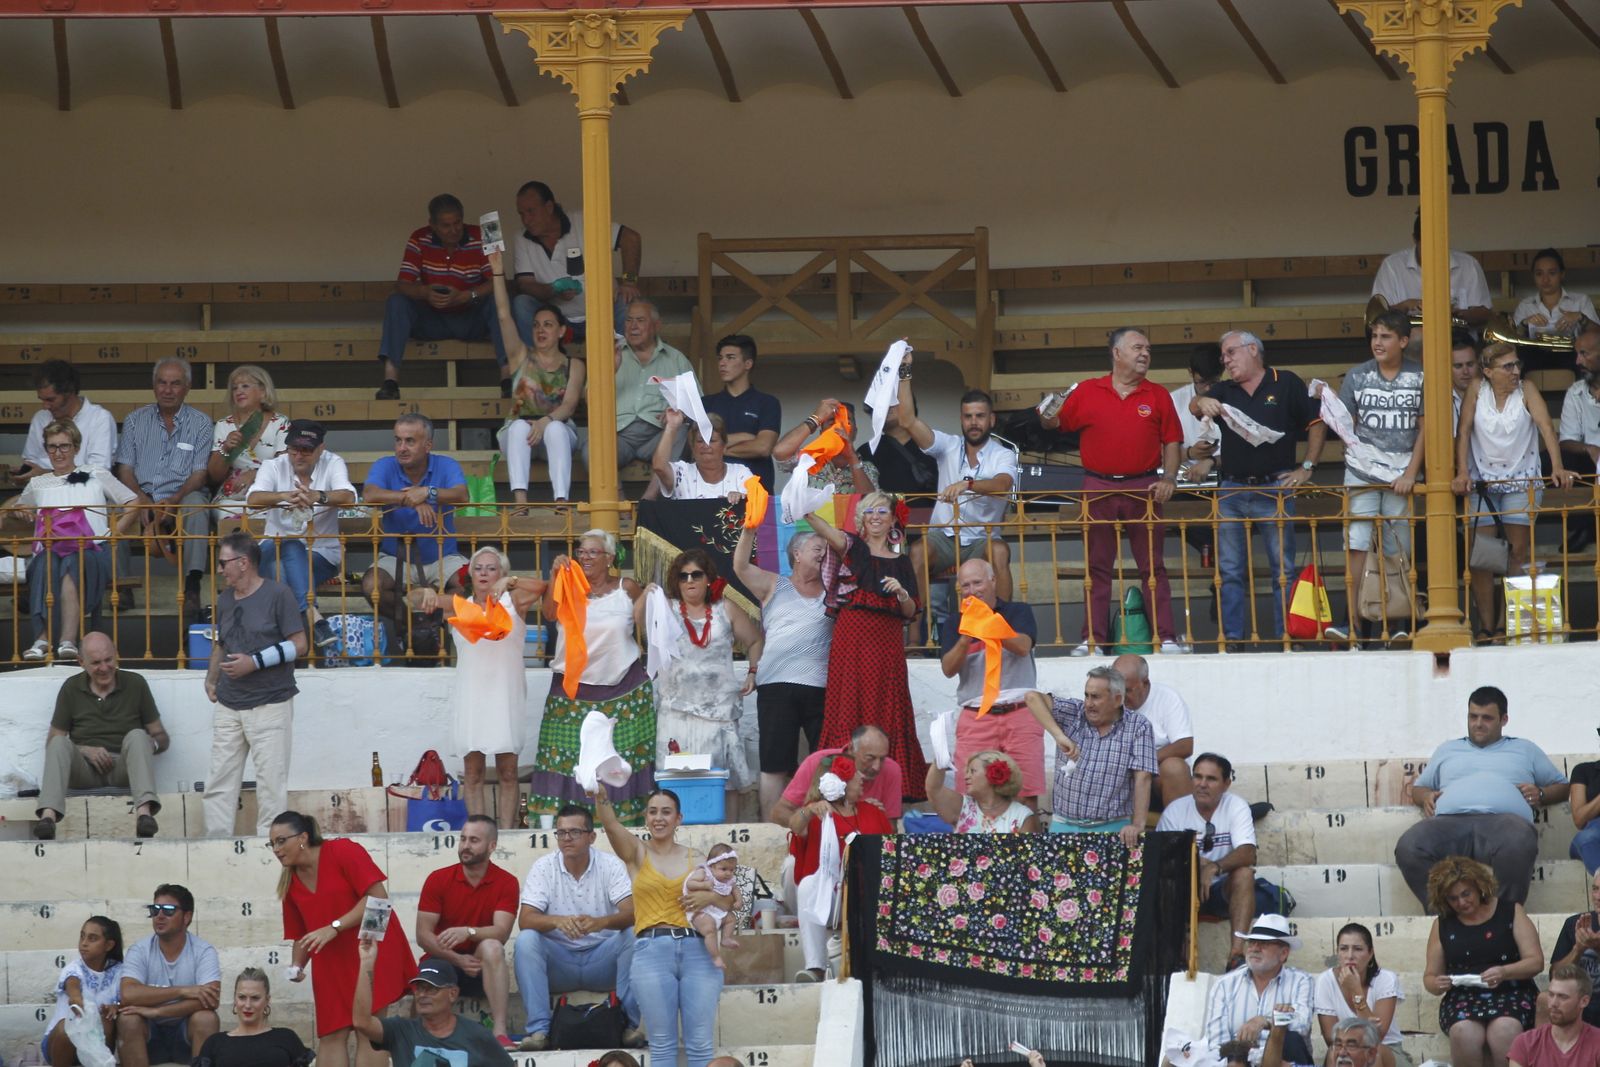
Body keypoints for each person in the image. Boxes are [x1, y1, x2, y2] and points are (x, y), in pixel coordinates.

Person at [1041, 327, 1186, 655]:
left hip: (1144, 485)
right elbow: (1054, 424)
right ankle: (1093, 640)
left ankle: (1165, 637)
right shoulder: (1088, 390)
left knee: (1153, 566)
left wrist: (1170, 478)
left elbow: (1172, 441)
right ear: (1117, 353)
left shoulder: (1157, 394)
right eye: (1138, 347)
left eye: (1148, 349)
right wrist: (1048, 412)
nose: (1145, 353)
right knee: (1097, 567)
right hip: (1098, 484)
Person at [1190, 330, 1326, 643]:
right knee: (1229, 571)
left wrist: (1307, 467)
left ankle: (1285, 638)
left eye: (1230, 352)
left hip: (1274, 488)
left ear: (1253, 349)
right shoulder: (1224, 388)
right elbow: (1195, 407)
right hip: (1232, 490)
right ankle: (1233, 640)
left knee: (1283, 571)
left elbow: (1316, 422)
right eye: (1223, 356)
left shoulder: (1286, 382)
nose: (1225, 360)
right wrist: (1203, 400)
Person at [1395, 685, 1568, 907]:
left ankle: (1503, 915)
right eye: (1473, 716)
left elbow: (1564, 787)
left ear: (1504, 719)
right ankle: (1445, 914)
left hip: (1504, 823)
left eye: (1487, 718)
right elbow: (1419, 788)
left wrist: (1541, 793)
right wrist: (1425, 796)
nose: (1478, 723)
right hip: (1448, 823)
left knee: (1519, 841)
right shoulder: (1447, 749)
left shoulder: (1525, 749)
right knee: (1409, 846)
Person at [804, 491, 928, 798]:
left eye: (882, 511)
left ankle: (891, 784)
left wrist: (901, 594)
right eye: (870, 511)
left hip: (887, 643)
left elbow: (910, 611)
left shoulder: (902, 562)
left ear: (893, 519)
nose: (875, 517)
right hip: (853, 640)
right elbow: (826, 530)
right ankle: (839, 781)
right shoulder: (854, 548)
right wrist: (806, 510)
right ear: (862, 517)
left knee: (888, 700)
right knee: (849, 699)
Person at [272, 810, 417, 1067]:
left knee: (368, 1028)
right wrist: (297, 966)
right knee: (331, 1034)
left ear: (303, 838)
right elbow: (300, 934)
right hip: (331, 959)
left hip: (371, 947)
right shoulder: (290, 881)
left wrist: (335, 928)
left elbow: (380, 900)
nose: (276, 849)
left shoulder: (342, 850)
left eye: (281, 841)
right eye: (272, 843)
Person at [528, 530, 654, 825]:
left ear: (609, 558)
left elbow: (649, 624)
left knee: (619, 760)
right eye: (581, 552)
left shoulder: (626, 588)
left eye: (592, 552)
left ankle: (625, 825)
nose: (585, 557)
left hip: (623, 689)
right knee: (564, 758)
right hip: (570, 689)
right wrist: (555, 575)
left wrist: (650, 594)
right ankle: (563, 826)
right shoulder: (568, 583)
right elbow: (550, 613)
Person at [1453, 341, 1575, 642]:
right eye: (1507, 366)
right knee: (1482, 558)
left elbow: (1546, 427)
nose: (1515, 371)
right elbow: (1463, 431)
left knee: (1516, 555)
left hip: (1522, 481)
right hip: (1483, 483)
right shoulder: (1476, 389)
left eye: (1517, 364)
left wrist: (1557, 467)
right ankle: (1487, 626)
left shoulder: (1527, 389)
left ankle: (1508, 625)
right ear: (1488, 371)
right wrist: (1462, 471)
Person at [595, 785, 724, 1067]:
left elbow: (729, 900)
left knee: (700, 1044)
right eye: (653, 812)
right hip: (651, 949)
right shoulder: (637, 852)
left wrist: (712, 897)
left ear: (679, 818)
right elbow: (610, 824)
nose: (659, 818)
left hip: (698, 949)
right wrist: (600, 796)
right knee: (662, 1045)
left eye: (666, 812)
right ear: (645, 817)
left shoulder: (697, 857)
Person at [414, 546, 542, 829]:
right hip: (471, 697)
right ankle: (478, 831)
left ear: (501, 574)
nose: (484, 573)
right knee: (473, 773)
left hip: (505, 696)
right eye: (479, 568)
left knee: (508, 772)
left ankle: (506, 833)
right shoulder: (459, 606)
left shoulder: (514, 602)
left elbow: (542, 587)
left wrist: (511, 582)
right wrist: (427, 593)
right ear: (470, 574)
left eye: (491, 568)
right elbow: (413, 598)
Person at [1325, 311, 1424, 645]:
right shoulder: (1357, 374)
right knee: (1356, 544)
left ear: (1404, 341)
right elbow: (1344, 424)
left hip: (1401, 474)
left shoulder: (1420, 375)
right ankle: (1351, 623)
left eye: (1386, 336)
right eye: (1374, 336)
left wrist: (1410, 474)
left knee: (1398, 547)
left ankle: (1398, 620)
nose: (1377, 342)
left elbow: (1425, 429)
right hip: (1361, 472)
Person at [6, 418, 138, 662]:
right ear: (46, 449)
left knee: (71, 562)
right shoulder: (38, 483)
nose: (58, 452)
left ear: (76, 447)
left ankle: (67, 640)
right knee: (45, 562)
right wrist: (21, 510)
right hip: (50, 551)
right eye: (52, 447)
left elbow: (132, 501)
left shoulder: (95, 473)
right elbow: (18, 505)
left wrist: (113, 532)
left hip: (92, 551)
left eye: (64, 446)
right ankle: (42, 639)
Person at [202, 531, 306, 838]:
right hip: (229, 702)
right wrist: (211, 679)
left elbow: (300, 644)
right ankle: (215, 844)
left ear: (243, 562)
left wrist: (254, 662)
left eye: (223, 563)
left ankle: (269, 849)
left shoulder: (279, 594)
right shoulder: (224, 599)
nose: (220, 569)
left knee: (271, 784)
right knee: (219, 780)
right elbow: (222, 643)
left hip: (270, 702)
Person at [514, 803, 642, 1051]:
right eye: (561, 832)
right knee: (527, 939)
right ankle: (539, 1031)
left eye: (575, 832)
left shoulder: (610, 865)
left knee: (634, 935)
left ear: (591, 837)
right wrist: (557, 921)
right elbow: (525, 919)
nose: (567, 838)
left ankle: (628, 1026)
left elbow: (633, 913)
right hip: (560, 963)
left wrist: (601, 923)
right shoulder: (544, 866)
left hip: (603, 961)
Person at [896, 355, 1018, 601]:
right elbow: (907, 420)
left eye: (980, 416)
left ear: (991, 419)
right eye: (968, 416)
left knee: (1000, 551)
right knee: (917, 552)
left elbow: (1003, 485)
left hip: (982, 540)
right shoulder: (949, 445)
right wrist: (904, 372)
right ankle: (916, 624)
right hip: (943, 537)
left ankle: (1003, 620)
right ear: (961, 419)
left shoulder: (1002, 453)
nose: (974, 422)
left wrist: (968, 484)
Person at [733, 522, 833, 816]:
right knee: (774, 763)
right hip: (776, 685)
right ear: (797, 554)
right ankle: (771, 827)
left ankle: (821, 824)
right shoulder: (774, 584)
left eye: (827, 551)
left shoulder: (834, 591)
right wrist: (749, 531)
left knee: (824, 761)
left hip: (821, 687)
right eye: (818, 548)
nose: (823, 554)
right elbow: (740, 567)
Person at [641, 548, 761, 788]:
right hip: (676, 712)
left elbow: (756, 640)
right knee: (676, 780)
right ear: (676, 582)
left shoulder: (725, 609)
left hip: (719, 712)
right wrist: (645, 596)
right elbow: (640, 627)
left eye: (696, 575)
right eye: (683, 576)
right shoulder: (666, 609)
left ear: (708, 579)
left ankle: (724, 816)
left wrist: (753, 672)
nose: (689, 581)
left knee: (725, 781)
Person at [34, 631, 169, 840]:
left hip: (124, 767)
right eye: (96, 663)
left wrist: (149, 745)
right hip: (84, 770)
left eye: (109, 660)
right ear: (81, 662)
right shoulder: (71, 688)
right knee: (59, 742)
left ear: (116, 655)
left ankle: (144, 816)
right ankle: (47, 818)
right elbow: (52, 741)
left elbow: (161, 736)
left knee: (138, 735)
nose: (104, 668)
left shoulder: (136, 683)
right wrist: (84, 750)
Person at [376, 192, 508, 400]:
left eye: (457, 223)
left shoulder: (485, 232)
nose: (453, 230)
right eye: (446, 226)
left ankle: (508, 379)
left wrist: (467, 295)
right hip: (432, 318)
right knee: (396, 301)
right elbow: (402, 284)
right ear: (432, 225)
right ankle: (390, 381)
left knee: (499, 300)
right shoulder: (419, 237)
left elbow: (500, 279)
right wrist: (424, 292)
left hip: (471, 316)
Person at [114, 356, 213, 616]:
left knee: (197, 506)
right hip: (141, 496)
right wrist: (140, 498)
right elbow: (125, 469)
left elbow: (200, 473)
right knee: (114, 508)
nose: (168, 390)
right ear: (154, 385)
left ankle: (192, 586)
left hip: (183, 496)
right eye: (162, 383)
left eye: (175, 383)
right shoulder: (134, 420)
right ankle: (122, 587)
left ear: (187, 387)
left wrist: (175, 500)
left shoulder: (201, 423)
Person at [488, 247, 586, 508]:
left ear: (561, 331)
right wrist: (497, 272)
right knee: (519, 426)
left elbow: (569, 405)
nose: (541, 330)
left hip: (556, 432)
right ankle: (521, 502)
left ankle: (561, 502)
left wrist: (545, 421)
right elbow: (503, 315)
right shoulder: (520, 356)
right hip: (520, 437)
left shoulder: (574, 364)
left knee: (556, 429)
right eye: (536, 325)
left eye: (548, 325)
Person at [246, 418, 356, 650]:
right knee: (290, 545)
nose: (298, 455)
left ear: (321, 448)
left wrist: (319, 496)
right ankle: (312, 615)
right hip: (272, 548)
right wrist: (283, 496)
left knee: (282, 566)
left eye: (306, 450)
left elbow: (349, 497)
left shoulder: (333, 462)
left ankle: (285, 644)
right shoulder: (273, 465)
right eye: (293, 449)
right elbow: (253, 499)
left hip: (321, 554)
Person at [1423, 855, 1543, 1067]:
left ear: (1479, 887)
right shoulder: (1442, 924)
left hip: (1511, 990)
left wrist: (1504, 972)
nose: (1461, 902)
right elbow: (1430, 977)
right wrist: (1437, 984)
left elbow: (1535, 962)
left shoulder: (1510, 911)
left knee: (1504, 1030)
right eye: (1453, 898)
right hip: (1463, 996)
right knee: (1463, 1032)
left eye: (1466, 894)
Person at [941, 558, 1041, 806]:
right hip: (976, 716)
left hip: (1020, 712)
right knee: (971, 794)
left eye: (977, 583)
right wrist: (965, 638)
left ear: (993, 581)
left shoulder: (1018, 611)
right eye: (965, 586)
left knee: (1026, 795)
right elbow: (948, 669)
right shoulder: (954, 622)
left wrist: (988, 624)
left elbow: (1022, 647)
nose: (971, 590)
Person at [786, 753, 894, 982]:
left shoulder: (872, 811)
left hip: (869, 892)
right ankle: (815, 967)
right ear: (840, 783)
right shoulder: (816, 815)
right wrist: (809, 809)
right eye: (856, 776)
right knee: (807, 886)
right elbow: (795, 826)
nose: (862, 779)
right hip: (833, 896)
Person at [416, 815, 520, 1050]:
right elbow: (423, 935)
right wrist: (457, 959)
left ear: (492, 846)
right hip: (443, 960)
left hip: (480, 966)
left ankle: (500, 1032)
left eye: (474, 840)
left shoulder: (506, 882)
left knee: (492, 946)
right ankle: (423, 1037)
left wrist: (468, 932)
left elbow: (501, 932)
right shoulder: (438, 879)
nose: (465, 846)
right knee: (429, 974)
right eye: (463, 839)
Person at [358, 414, 469, 635]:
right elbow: (369, 495)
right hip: (396, 557)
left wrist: (428, 492)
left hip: (443, 556)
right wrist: (410, 499)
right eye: (398, 440)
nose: (402, 448)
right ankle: (416, 628)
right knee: (372, 586)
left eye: (410, 441)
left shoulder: (446, 464)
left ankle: (434, 624)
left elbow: (462, 495)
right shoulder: (385, 464)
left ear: (428, 445)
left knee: (471, 583)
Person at [1024, 667, 1156, 845]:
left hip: (1111, 828)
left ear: (1117, 699)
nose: (1088, 703)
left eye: (1096, 697)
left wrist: (1138, 824)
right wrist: (1058, 736)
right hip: (1063, 826)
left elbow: (1143, 777)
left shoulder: (1138, 726)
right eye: (1086, 695)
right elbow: (1031, 697)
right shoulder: (1074, 713)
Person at [509, 179, 642, 346]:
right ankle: (537, 362)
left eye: (531, 211)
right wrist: (553, 289)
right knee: (521, 303)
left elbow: (630, 238)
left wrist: (629, 282)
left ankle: (627, 360)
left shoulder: (584, 221)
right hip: (557, 322)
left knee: (628, 301)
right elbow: (525, 284)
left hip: (604, 317)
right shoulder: (521, 238)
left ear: (549, 207)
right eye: (521, 214)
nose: (526, 220)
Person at [1156, 753, 1258, 971]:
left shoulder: (1236, 805)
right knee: (1166, 883)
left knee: (1244, 874)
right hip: (1184, 889)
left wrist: (1214, 867)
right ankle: (1177, 959)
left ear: (1226, 784)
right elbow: (1161, 859)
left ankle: (1236, 956)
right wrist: (1194, 864)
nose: (1202, 784)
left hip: (1221, 889)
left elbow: (1248, 853)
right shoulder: (1175, 810)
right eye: (1197, 776)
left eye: (1211, 779)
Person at [351, 945, 514, 1067]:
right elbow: (362, 1022)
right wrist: (366, 962)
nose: (423, 995)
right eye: (419, 988)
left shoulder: (478, 1035)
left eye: (432, 989)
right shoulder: (401, 1031)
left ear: (452, 994)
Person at [116, 884, 221, 1067]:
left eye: (169, 910)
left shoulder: (204, 951)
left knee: (206, 1018)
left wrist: (158, 1011)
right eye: (155, 909)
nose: (160, 916)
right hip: (149, 1032)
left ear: (187, 917)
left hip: (186, 1032)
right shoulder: (139, 949)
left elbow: (211, 1000)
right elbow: (128, 994)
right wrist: (182, 991)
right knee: (128, 1020)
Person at [592, 299, 694, 469]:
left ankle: (655, 488)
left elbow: (697, 403)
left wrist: (680, 411)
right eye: (629, 320)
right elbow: (590, 400)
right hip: (617, 436)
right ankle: (616, 488)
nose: (633, 326)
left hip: (658, 435)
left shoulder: (675, 359)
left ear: (656, 326)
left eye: (640, 321)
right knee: (592, 452)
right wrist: (611, 370)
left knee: (682, 432)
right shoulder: (610, 355)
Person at [1203, 913, 1315, 1065]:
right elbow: (1217, 1044)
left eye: (1264, 943)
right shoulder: (1224, 985)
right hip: (1239, 1063)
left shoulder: (1301, 981)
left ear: (1284, 953)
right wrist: (1257, 1058)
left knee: (1291, 1038)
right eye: (1252, 942)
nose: (1255, 948)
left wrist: (1265, 1021)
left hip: (1283, 1062)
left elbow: (1302, 1025)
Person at [1370, 212, 1493, 327]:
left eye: (1439, 245)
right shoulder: (1392, 266)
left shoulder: (1469, 265)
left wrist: (1457, 313)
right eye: (1427, 246)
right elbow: (1379, 316)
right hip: (1406, 339)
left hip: (1458, 338)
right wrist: (1407, 305)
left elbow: (1485, 314)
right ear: (1415, 239)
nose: (1434, 252)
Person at [1314, 924, 1411, 1067]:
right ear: (1337, 952)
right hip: (1345, 1048)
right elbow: (1330, 1038)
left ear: (1370, 953)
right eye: (1344, 948)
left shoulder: (1386, 979)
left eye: (1358, 949)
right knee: (1334, 1051)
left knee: (1373, 1053)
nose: (1350, 956)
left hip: (1387, 1049)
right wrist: (1352, 1047)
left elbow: (1376, 1037)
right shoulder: (1325, 981)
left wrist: (1356, 991)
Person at [9, 359, 116, 487]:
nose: (45, 406)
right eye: (42, 400)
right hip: (42, 494)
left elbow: (99, 473)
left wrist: (46, 475)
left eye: (51, 400)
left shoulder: (100, 418)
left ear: (69, 392)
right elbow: (32, 463)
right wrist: (25, 474)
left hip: (86, 496)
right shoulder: (40, 418)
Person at [207, 365, 290, 520]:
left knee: (277, 515)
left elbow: (285, 465)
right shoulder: (224, 425)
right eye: (234, 388)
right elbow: (214, 476)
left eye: (245, 386)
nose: (238, 391)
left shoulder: (280, 422)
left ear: (263, 391)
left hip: (269, 495)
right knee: (225, 513)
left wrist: (255, 474)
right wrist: (226, 448)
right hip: (233, 498)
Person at [701, 334, 781, 492]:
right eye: (720, 358)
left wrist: (718, 448)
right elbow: (699, 447)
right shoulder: (706, 403)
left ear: (748, 364)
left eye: (730, 357)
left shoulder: (767, 402)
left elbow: (763, 447)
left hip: (756, 491)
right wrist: (746, 437)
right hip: (712, 491)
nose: (722, 363)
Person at [1113, 653, 1194, 807]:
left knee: (1174, 768)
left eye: (1127, 690)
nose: (1121, 697)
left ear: (1145, 683)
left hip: (1156, 779)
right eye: (1117, 690)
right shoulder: (1106, 699)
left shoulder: (1167, 698)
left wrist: (1143, 760)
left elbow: (1185, 745)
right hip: (1119, 779)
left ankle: (1178, 822)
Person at [41, 915, 122, 1067]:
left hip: (96, 1044)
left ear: (109, 945)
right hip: (60, 1043)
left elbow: (126, 998)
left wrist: (115, 1007)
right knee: (66, 1027)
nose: (84, 943)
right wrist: (76, 997)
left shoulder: (119, 971)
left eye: (92, 938)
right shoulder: (74, 967)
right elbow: (72, 982)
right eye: (82, 936)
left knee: (108, 1021)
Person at [191, 968, 312, 1067]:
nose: (247, 1005)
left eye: (255, 998)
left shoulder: (286, 1037)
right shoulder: (215, 1043)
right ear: (235, 999)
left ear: (267, 1000)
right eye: (242, 997)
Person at [771, 398, 878, 494]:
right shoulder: (808, 460)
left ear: (855, 432)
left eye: (846, 421)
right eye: (832, 422)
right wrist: (814, 419)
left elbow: (870, 502)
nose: (839, 427)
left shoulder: (867, 468)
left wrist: (852, 458)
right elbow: (780, 452)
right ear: (822, 432)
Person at [924, 750, 1040, 834]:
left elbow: (1027, 856)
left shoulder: (1021, 815)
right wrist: (939, 760)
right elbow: (934, 790)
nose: (966, 777)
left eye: (972, 771)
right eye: (967, 772)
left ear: (994, 774)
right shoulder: (963, 807)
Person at [653, 410, 755, 501]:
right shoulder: (682, 472)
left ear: (724, 446)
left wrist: (741, 498)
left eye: (712, 440)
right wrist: (671, 427)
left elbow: (756, 504)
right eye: (700, 441)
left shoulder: (740, 473)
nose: (705, 446)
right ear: (692, 447)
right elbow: (659, 467)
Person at [1511, 965, 1600, 1067]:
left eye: (1563, 997)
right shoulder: (1525, 1043)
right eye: (1551, 994)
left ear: (1584, 1001)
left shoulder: (1597, 1043)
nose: (1553, 1003)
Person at [1548, 871, 1600, 1030]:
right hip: (1579, 997)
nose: (1598, 897)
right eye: (1595, 889)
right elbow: (1555, 976)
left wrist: (1597, 947)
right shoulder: (1575, 924)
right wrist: (1578, 948)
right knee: (1545, 1000)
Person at [1512, 249, 1599, 341]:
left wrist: (1581, 318)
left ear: (1562, 274)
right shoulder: (1525, 306)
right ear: (1533, 276)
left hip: (1575, 350)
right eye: (1539, 274)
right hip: (1533, 350)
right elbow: (1511, 339)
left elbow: (1598, 335)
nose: (1545, 280)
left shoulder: (1581, 301)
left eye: (1552, 273)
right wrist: (1524, 324)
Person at [683, 842, 742, 970]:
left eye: (732, 870)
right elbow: (690, 884)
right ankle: (715, 957)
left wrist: (738, 900)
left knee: (731, 918)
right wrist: (704, 885)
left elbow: (735, 889)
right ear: (711, 866)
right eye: (724, 869)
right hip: (701, 911)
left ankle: (726, 938)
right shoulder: (703, 873)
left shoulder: (729, 880)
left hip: (717, 910)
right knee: (710, 929)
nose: (728, 873)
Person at [1173, 342, 1225, 484]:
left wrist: (1211, 461)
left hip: (1226, 477)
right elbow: (1161, 453)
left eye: (1213, 382)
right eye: (1202, 382)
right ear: (1191, 372)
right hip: (1184, 479)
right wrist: (1190, 453)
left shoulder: (1233, 397)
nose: (1208, 388)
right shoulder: (1174, 400)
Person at [1558, 322, 1600, 477]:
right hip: (1591, 462)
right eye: (1577, 354)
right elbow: (1566, 441)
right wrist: (1589, 448)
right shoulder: (1575, 391)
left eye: (1584, 354)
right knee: (1554, 460)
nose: (1577, 361)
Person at [1452, 329, 1482, 433]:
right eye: (1458, 366)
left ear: (1478, 364)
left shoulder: (1491, 394)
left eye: (1470, 364)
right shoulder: (1439, 399)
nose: (1465, 371)